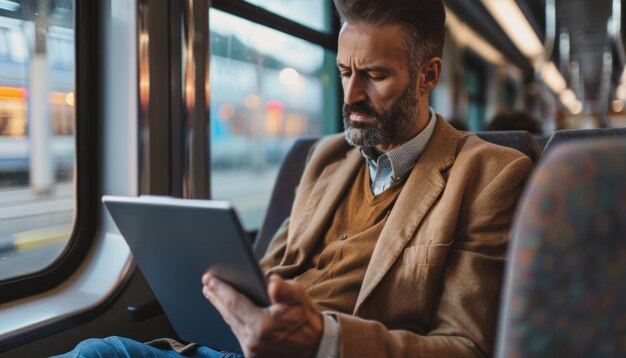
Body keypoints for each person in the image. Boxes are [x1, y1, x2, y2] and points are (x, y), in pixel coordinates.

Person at [57, 0, 532, 357]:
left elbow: (464, 347)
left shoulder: (488, 174)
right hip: (234, 348)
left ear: (428, 76)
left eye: (374, 76)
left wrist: (324, 339)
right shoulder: (325, 157)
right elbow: (269, 271)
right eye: (345, 71)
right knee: (98, 352)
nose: (352, 95)